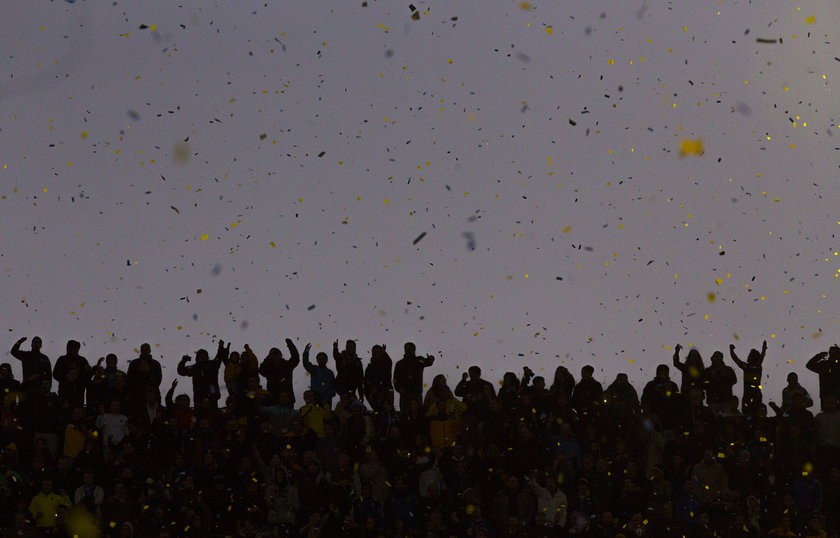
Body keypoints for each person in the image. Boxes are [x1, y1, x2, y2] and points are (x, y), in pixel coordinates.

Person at [177, 339, 228, 407]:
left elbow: (219, 357)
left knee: (213, 415)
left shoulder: (213, 364)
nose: (203, 357)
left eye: (204, 355)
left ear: (207, 356)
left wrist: (220, 346)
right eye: (201, 355)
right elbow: (181, 371)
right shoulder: (194, 367)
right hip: (199, 397)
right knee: (199, 415)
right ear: (197, 357)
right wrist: (183, 361)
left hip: (212, 396)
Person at [392, 342, 435, 412]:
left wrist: (431, 358)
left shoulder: (419, 360)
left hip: (416, 394)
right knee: (405, 416)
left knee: (417, 415)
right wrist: (399, 389)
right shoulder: (399, 364)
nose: (407, 350)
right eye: (406, 348)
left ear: (414, 350)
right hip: (405, 396)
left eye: (409, 348)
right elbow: (395, 379)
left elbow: (428, 362)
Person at [729, 340, 767, 416]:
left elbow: (735, 359)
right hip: (755, 394)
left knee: (747, 415)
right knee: (755, 415)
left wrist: (731, 351)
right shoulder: (758, 367)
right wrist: (763, 350)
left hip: (748, 395)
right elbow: (762, 356)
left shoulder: (746, 367)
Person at [259, 339, 301, 405]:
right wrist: (268, 358)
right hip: (272, 398)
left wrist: (290, 345)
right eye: (272, 354)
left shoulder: (287, 365)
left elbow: (295, 358)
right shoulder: (268, 368)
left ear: (281, 355)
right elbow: (261, 370)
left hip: (287, 398)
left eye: (276, 353)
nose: (275, 355)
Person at [126, 343, 163, 410]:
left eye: (146, 350)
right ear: (141, 350)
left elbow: (158, 380)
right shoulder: (134, 363)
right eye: (143, 350)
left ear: (150, 351)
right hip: (136, 395)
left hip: (152, 396)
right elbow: (129, 379)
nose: (144, 352)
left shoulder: (155, 364)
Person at [702, 351, 737, 416]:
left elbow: (734, 380)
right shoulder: (708, 371)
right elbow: (703, 384)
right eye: (713, 359)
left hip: (725, 400)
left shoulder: (728, 370)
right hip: (713, 400)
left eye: (716, 358)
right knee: (713, 420)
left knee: (726, 420)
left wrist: (723, 380)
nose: (714, 361)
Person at [302, 344, 336, 408]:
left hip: (326, 400)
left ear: (326, 360)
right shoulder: (314, 369)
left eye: (323, 359)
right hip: (315, 398)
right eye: (319, 359)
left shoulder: (330, 373)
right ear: (317, 360)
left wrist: (328, 395)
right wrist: (306, 351)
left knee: (326, 416)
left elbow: (333, 387)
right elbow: (305, 363)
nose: (321, 360)